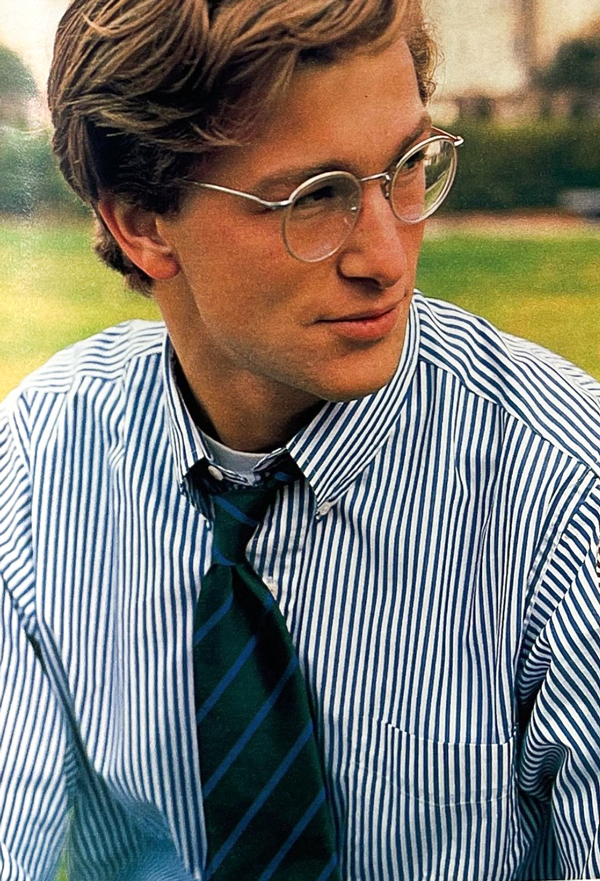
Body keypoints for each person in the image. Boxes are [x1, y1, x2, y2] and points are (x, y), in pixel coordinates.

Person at [0, 0, 599, 878]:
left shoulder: (566, 487)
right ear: (142, 222)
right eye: (313, 197)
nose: (388, 256)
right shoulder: (40, 463)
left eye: (407, 166)